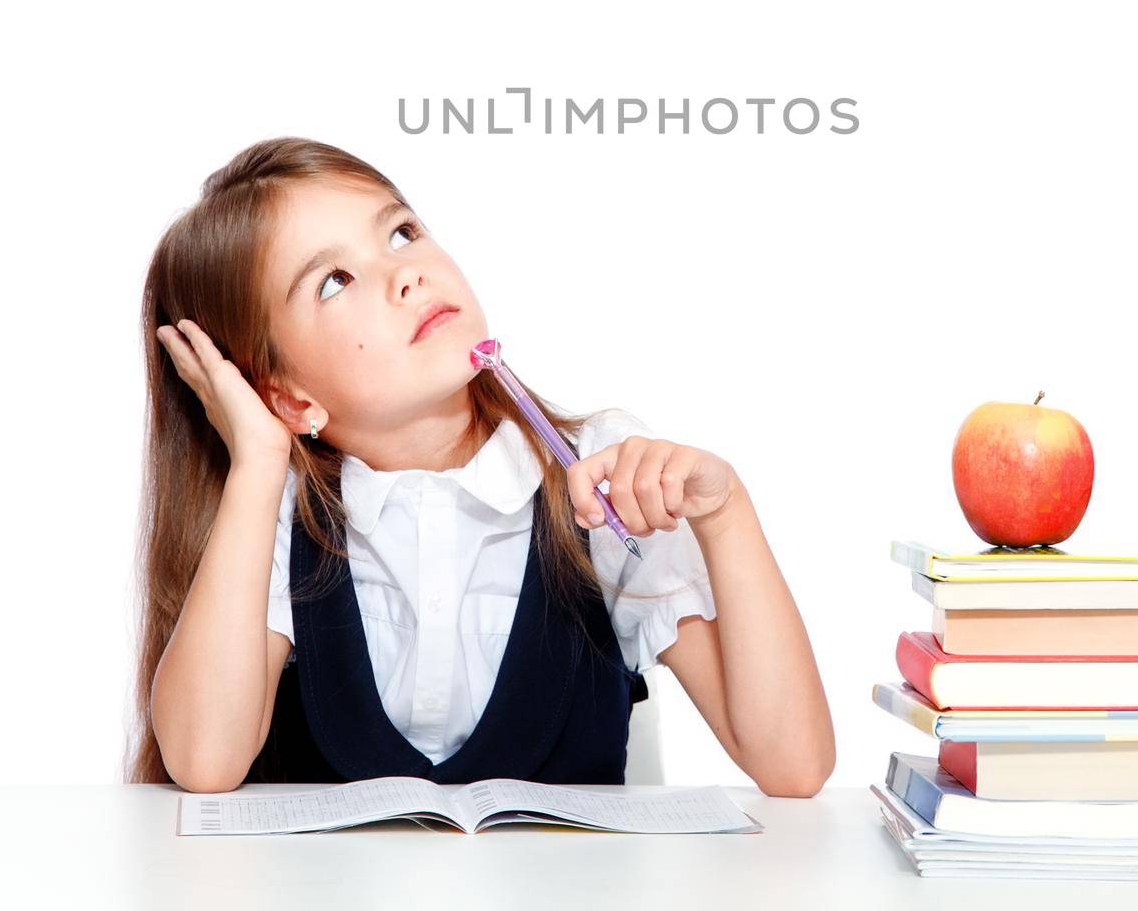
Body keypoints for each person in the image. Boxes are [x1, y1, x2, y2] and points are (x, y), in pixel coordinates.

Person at [129, 136, 834, 796]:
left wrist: (726, 511)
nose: (406, 273)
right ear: (287, 396)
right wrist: (257, 460)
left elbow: (792, 765)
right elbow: (204, 763)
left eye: (401, 232)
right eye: (335, 281)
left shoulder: (600, 475)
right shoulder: (279, 513)